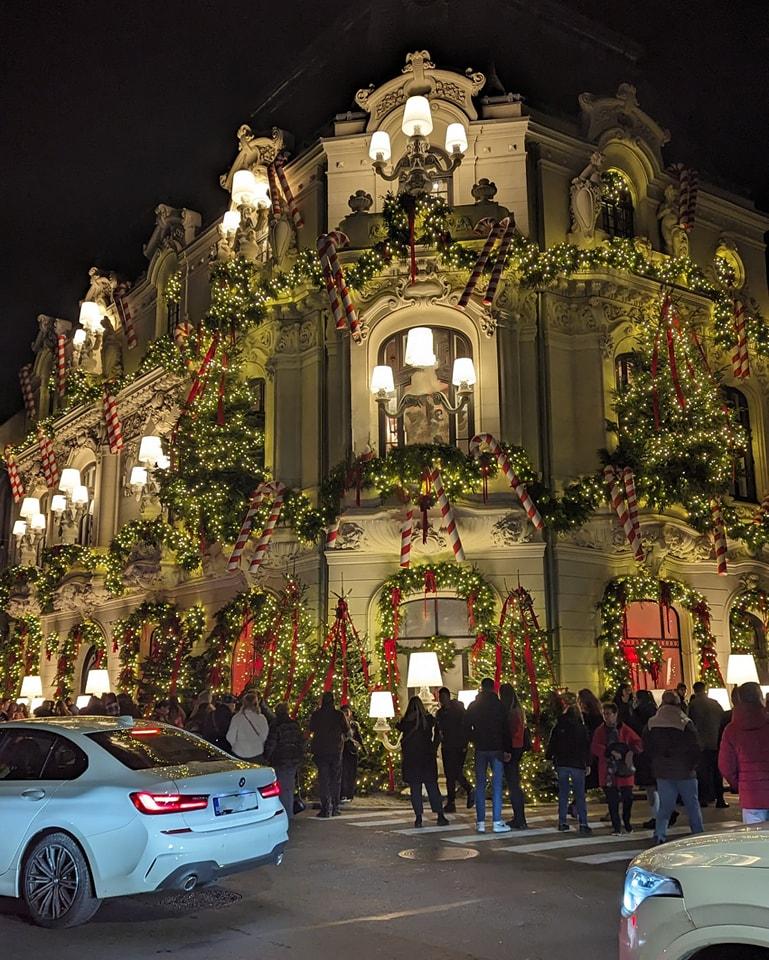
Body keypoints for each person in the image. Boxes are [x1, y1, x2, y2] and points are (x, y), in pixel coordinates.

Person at [645, 690, 703, 844]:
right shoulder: (685, 722)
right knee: (692, 805)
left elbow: (647, 748)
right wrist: (693, 765)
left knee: (665, 806)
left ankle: (659, 834)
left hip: (662, 771)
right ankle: (698, 834)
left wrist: (656, 763)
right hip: (685, 770)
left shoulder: (652, 723)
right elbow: (696, 746)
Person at [466, 678, 513, 834]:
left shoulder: (474, 705)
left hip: (481, 747)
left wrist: (474, 738)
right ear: (493, 688)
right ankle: (496, 821)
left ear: (481, 687)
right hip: (497, 748)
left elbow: (466, 725)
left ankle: (480, 822)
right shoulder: (499, 705)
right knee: (497, 785)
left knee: (480, 784)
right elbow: (505, 728)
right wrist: (507, 749)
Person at [719, 681, 769, 824]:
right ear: (760, 698)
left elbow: (725, 766)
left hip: (751, 795)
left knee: (754, 836)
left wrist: (740, 784)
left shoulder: (731, 730)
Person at [396, 696, 448, 828]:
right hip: (427, 757)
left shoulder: (406, 722)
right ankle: (440, 815)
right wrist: (434, 747)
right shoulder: (428, 720)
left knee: (415, 789)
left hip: (412, 759)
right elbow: (438, 732)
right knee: (432, 787)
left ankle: (418, 817)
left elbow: (399, 727)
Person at [591, 700, 642, 834]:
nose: (606, 716)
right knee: (612, 801)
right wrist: (608, 751)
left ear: (615, 714)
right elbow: (595, 746)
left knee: (628, 798)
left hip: (624, 770)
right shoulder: (600, 731)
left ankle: (626, 821)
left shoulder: (625, 729)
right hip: (608, 772)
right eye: (604, 714)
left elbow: (637, 743)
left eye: (608, 713)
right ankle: (617, 826)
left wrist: (629, 752)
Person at [546, 692, 592, 834]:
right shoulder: (581, 727)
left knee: (563, 793)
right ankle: (583, 823)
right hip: (577, 763)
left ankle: (562, 822)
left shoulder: (559, 725)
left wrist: (550, 757)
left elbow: (553, 743)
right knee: (579, 794)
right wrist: (588, 763)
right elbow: (586, 746)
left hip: (562, 763)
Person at [309, 691, 349, 818]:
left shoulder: (317, 715)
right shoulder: (339, 715)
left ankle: (325, 808)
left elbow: (311, 728)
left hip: (321, 750)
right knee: (335, 779)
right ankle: (335, 807)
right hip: (335, 750)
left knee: (323, 779)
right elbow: (347, 729)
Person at [688, 681, 727, 807]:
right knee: (717, 771)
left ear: (695, 690)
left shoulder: (693, 705)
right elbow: (723, 719)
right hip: (716, 741)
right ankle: (720, 799)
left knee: (703, 772)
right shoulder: (715, 703)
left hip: (701, 743)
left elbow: (690, 724)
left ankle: (704, 798)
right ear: (705, 689)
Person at [436, 687, 474, 813]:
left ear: (448, 697)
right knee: (449, 775)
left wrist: (464, 742)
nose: (442, 700)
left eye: (443, 698)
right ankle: (451, 802)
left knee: (456, 772)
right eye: (440, 698)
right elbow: (439, 729)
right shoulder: (440, 713)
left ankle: (468, 789)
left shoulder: (458, 710)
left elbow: (466, 727)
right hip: (447, 746)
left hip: (458, 745)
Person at [264, 702, 305, 819]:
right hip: (293, 759)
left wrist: (267, 756)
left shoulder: (276, 725)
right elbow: (300, 741)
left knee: (282, 788)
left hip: (280, 759)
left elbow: (271, 743)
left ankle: (285, 814)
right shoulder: (294, 724)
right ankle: (288, 812)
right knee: (289, 787)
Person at [499, 684, 527, 829]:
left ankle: (519, 818)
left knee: (513, 784)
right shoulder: (518, 710)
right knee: (515, 783)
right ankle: (520, 817)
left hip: (512, 749)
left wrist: (507, 750)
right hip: (518, 747)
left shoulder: (510, 712)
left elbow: (509, 733)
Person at [226, 691, 269, 761]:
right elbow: (264, 736)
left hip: (239, 752)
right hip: (256, 753)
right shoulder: (262, 718)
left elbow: (230, 736)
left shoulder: (237, 718)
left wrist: (236, 745)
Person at [340, 704, 364, 801]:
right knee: (344, 772)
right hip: (343, 751)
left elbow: (358, 737)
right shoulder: (340, 724)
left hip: (353, 752)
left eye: (347, 712)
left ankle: (350, 794)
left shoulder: (354, 725)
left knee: (351, 773)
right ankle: (343, 793)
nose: (346, 714)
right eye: (344, 712)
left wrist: (362, 747)